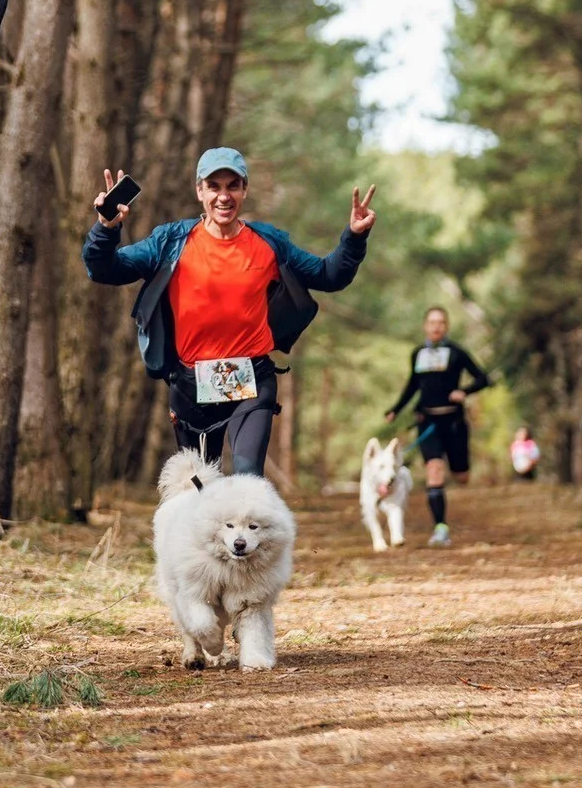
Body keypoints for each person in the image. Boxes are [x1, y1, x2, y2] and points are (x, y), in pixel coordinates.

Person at [83, 147, 376, 476]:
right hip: (192, 386)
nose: (224, 196)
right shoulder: (171, 242)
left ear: (244, 190)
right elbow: (105, 270)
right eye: (214, 186)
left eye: (233, 186)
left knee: (247, 479)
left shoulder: (268, 243)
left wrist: (354, 237)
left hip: (251, 381)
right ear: (199, 191)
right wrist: (106, 228)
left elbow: (328, 275)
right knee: (198, 490)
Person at [385, 306, 488, 547]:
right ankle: (440, 528)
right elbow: (413, 385)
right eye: (432, 322)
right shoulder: (418, 353)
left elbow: (483, 378)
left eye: (441, 322)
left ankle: (455, 473)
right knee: (434, 469)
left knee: (461, 475)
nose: (436, 326)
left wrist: (464, 391)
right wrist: (396, 409)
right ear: (425, 326)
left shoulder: (457, 352)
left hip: (454, 422)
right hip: (428, 421)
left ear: (446, 326)